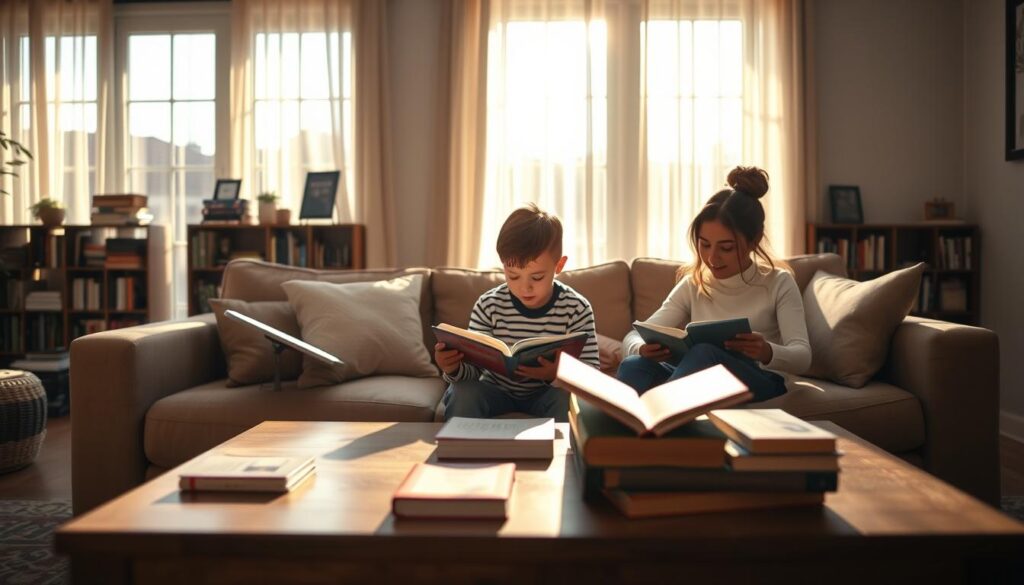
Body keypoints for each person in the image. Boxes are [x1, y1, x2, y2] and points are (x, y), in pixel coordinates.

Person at [616, 166, 810, 401]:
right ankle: (641, 422)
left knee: (704, 353)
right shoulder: (693, 284)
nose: (712, 258)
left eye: (726, 248)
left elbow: (802, 356)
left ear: (754, 240)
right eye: (704, 244)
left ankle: (661, 411)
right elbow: (633, 336)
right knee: (633, 365)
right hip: (701, 375)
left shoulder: (779, 282)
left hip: (762, 380)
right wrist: (641, 349)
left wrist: (767, 351)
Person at [436, 203, 600, 421]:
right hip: (494, 390)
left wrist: (555, 374)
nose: (525, 288)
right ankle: (459, 453)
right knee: (463, 392)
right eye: (513, 276)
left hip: (547, 394)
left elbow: (591, 374)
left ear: (559, 266)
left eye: (537, 277)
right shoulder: (488, 305)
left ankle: (564, 455)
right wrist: (453, 367)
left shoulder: (576, 308)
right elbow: (472, 372)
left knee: (565, 398)